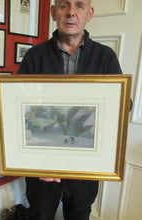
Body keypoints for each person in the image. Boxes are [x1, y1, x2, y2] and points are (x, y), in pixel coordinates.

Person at [18, 0, 123, 219]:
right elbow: (18, 113)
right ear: (53, 12)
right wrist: (34, 164)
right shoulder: (34, 57)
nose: (71, 13)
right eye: (64, 5)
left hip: (86, 168)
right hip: (43, 168)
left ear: (89, 13)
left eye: (79, 6)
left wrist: (116, 102)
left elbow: (122, 105)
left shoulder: (106, 57)